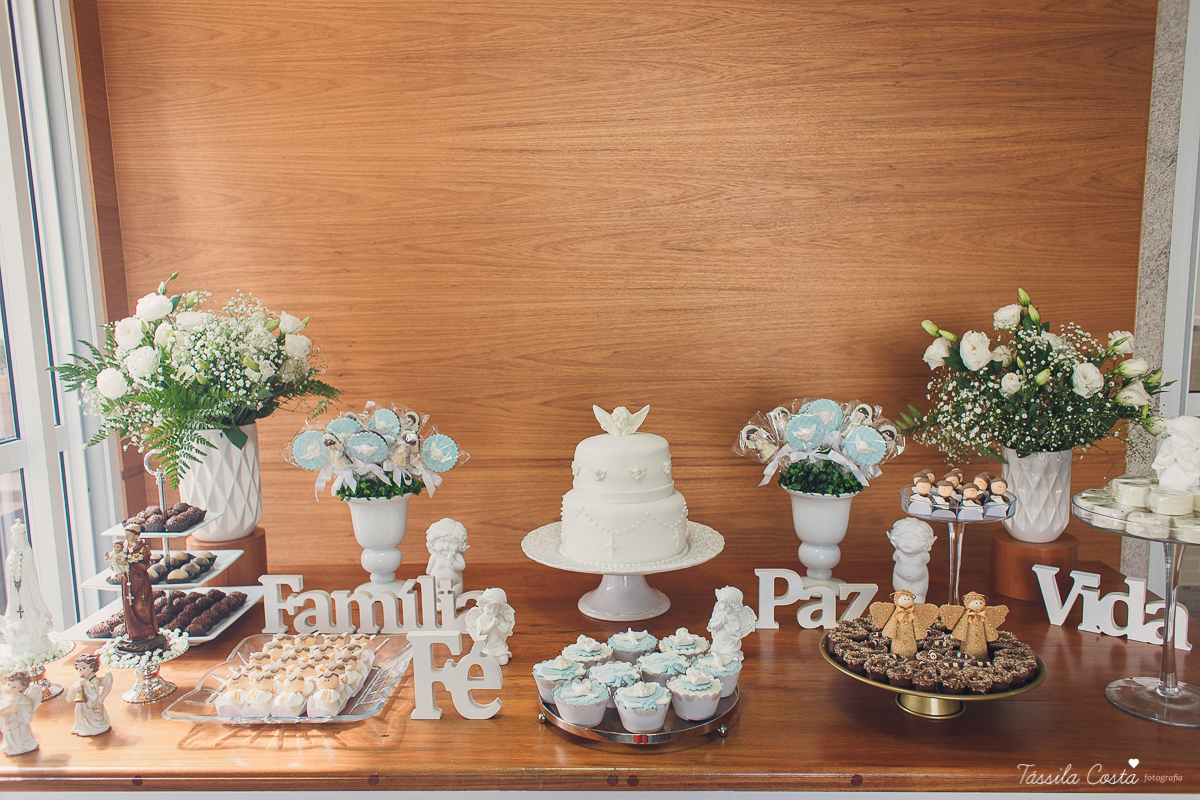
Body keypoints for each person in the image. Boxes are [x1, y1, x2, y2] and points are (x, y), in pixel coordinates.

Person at [464, 588, 515, 665]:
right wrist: (491, 625)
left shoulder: (500, 618)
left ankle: (496, 657)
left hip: (499, 648)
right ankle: (489, 658)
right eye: (489, 607)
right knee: (486, 660)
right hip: (487, 648)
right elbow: (481, 633)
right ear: (483, 605)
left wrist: (498, 626)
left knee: (504, 660)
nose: (492, 611)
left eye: (496, 608)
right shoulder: (480, 619)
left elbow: (505, 632)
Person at [707, 586, 757, 661]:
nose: (722, 607)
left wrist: (726, 624)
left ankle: (730, 657)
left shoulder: (736, 619)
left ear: (734, 607)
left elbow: (736, 634)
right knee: (714, 651)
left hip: (730, 645)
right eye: (721, 603)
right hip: (718, 641)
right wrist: (719, 623)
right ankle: (717, 655)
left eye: (726, 606)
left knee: (730, 653)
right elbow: (711, 626)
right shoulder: (719, 613)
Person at [68, 654, 112, 736]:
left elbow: (94, 696)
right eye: (80, 669)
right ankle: (82, 727)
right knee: (78, 711)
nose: (82, 671)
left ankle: (94, 727)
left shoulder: (94, 681)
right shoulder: (83, 680)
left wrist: (84, 684)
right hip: (83, 703)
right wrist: (76, 688)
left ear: (92, 667)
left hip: (92, 704)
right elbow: (69, 697)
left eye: (84, 668)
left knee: (93, 715)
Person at [0, 670, 41, 755]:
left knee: (17, 734)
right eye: (8, 684)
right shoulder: (8, 697)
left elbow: (25, 710)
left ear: (22, 688)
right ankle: (10, 746)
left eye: (14, 687)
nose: (9, 688)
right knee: (9, 733)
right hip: (8, 721)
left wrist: (17, 708)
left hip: (17, 723)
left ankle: (21, 746)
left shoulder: (21, 700)